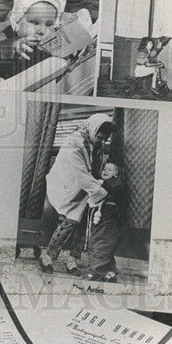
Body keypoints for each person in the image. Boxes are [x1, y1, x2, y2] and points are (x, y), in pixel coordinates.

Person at [40, 113, 114, 275]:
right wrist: (100, 191)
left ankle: (71, 259)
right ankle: (47, 257)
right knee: (69, 222)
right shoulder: (73, 143)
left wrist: (99, 182)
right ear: (93, 129)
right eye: (100, 137)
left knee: (81, 226)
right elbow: (80, 172)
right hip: (67, 186)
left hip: (86, 188)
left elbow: (96, 167)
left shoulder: (95, 142)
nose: (102, 141)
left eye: (105, 138)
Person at [85, 157, 126, 282]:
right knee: (101, 242)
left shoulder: (117, 183)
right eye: (104, 168)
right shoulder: (105, 183)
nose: (105, 170)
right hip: (101, 216)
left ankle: (97, 271)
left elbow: (117, 191)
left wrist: (104, 184)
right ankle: (109, 270)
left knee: (102, 243)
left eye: (109, 169)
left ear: (116, 174)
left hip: (110, 217)